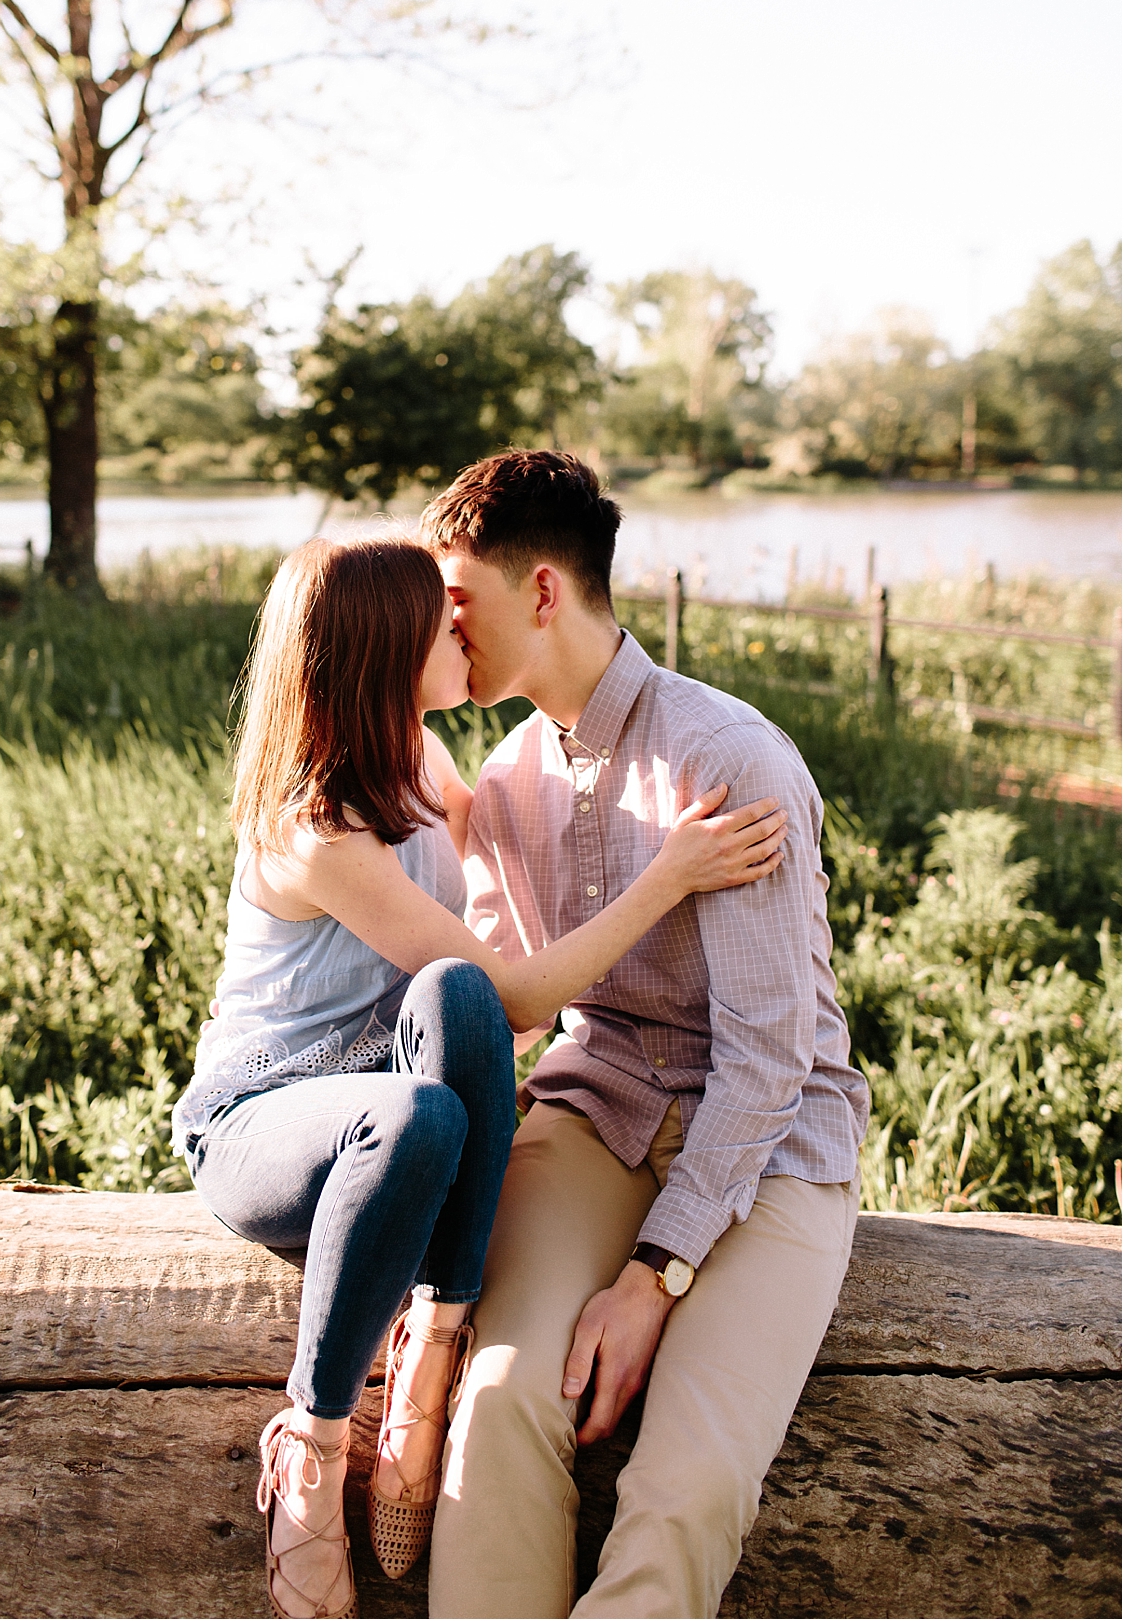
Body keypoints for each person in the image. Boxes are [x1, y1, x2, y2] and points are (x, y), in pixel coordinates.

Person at [173, 536, 788, 1621]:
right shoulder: (313, 830)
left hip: (402, 1127)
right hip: (266, 1122)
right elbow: (521, 997)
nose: (461, 631)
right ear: (383, 650)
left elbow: (490, 964)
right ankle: (310, 1450)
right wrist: (667, 878)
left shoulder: (424, 765)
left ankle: (432, 1348)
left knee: (448, 1007)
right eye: (439, 619)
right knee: (434, 1062)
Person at [418, 452, 870, 1620]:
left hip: (770, 1140)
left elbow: (770, 1058)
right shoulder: (506, 778)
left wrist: (653, 1274)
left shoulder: (729, 761)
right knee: (503, 1398)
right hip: (598, 1105)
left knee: (686, 1478)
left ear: (545, 593)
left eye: (457, 601)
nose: (442, 626)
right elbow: (512, 994)